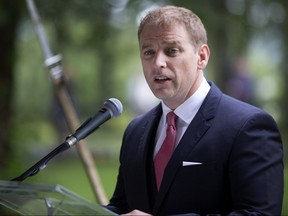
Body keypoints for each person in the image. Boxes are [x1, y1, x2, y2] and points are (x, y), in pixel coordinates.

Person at [105, 5, 284, 216]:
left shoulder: (249, 127)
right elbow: (123, 206)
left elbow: (260, 214)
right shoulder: (135, 130)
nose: (158, 63)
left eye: (171, 50)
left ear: (202, 57)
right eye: (148, 52)